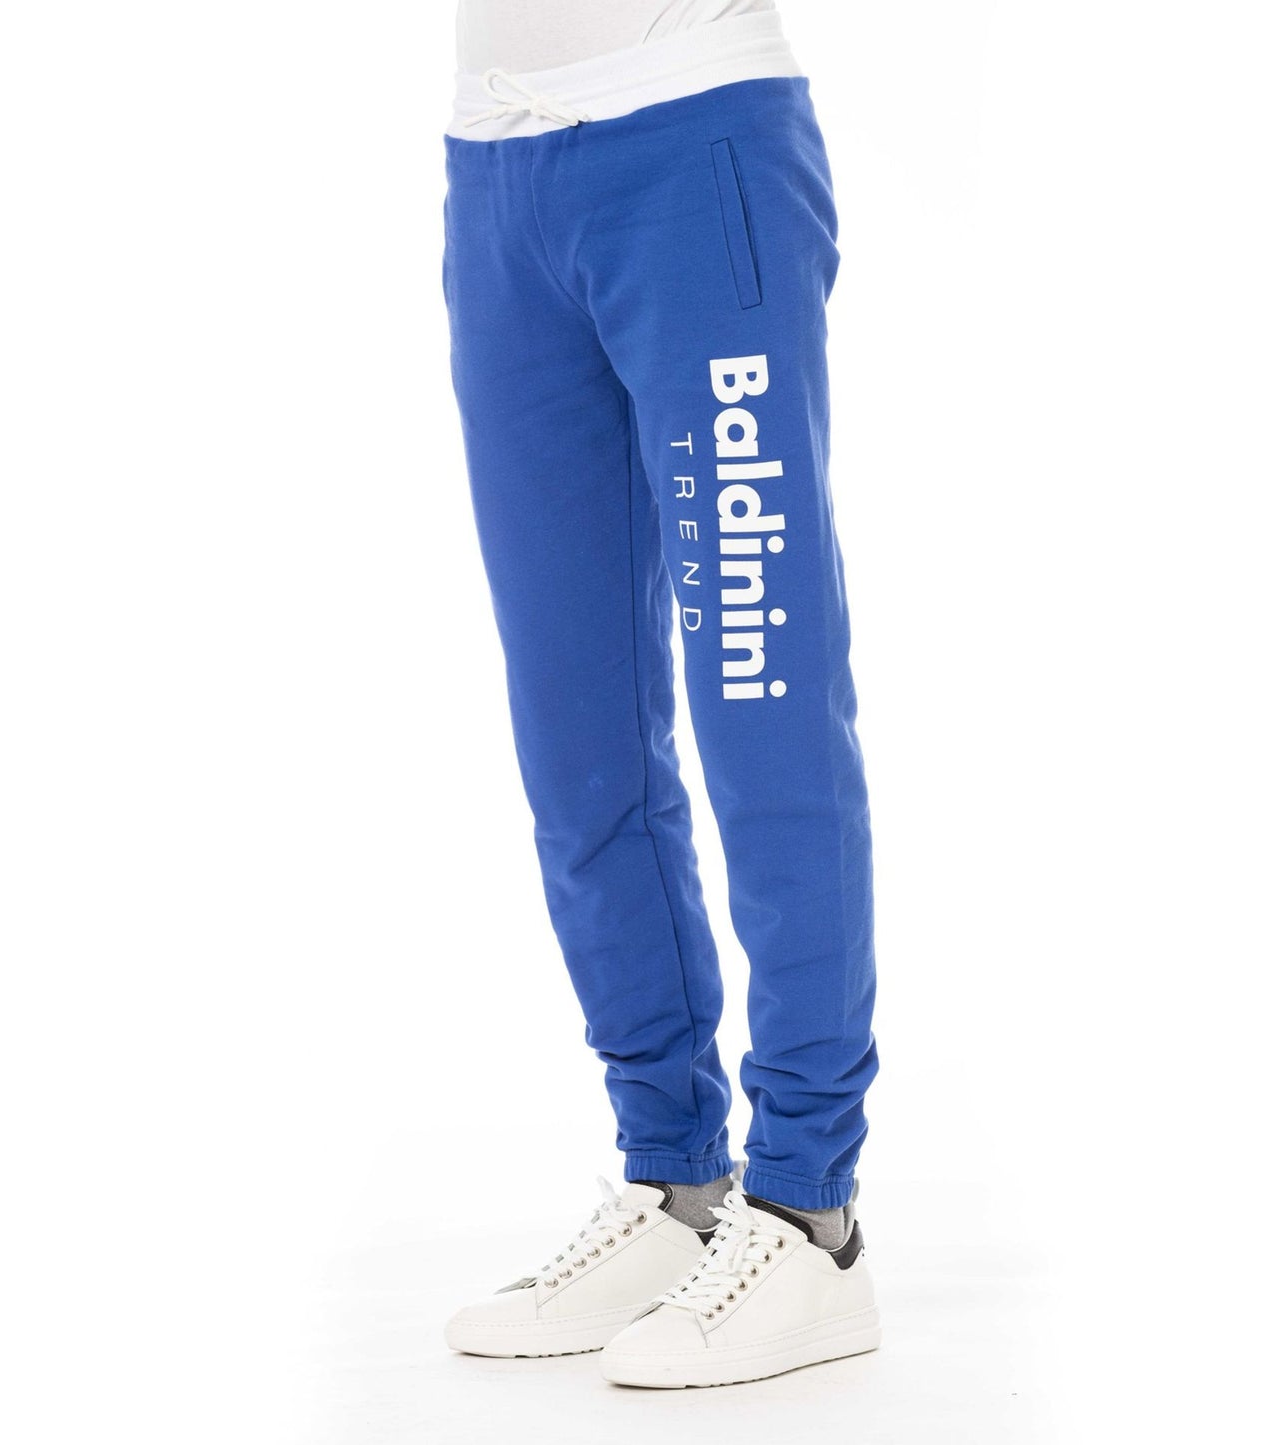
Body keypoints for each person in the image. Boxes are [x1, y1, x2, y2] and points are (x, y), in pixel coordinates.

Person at [439, 1, 880, 1387]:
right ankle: (674, 1177)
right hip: (496, 168)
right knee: (575, 732)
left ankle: (808, 1215)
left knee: (764, 703)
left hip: (693, 143)